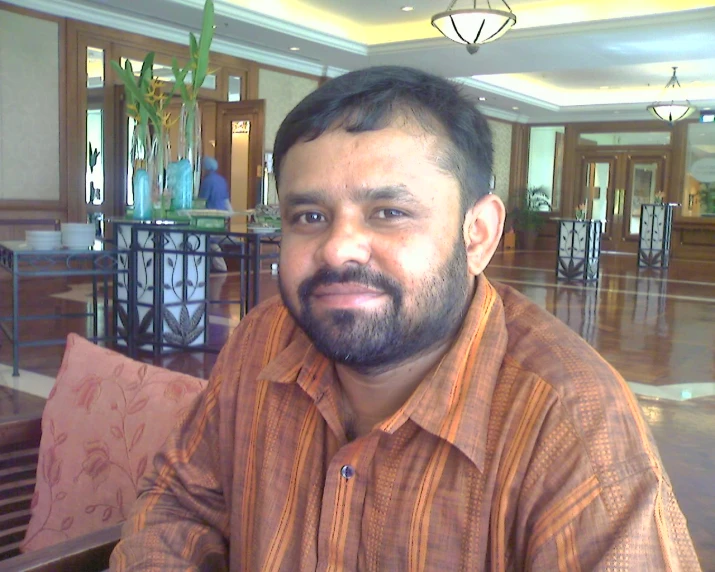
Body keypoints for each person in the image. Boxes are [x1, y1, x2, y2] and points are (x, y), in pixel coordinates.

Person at [111, 67, 700, 571]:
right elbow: (176, 505)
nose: (339, 248)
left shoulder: (570, 422)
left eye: (388, 212)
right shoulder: (264, 339)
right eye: (309, 216)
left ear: (478, 235)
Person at [199, 156, 230, 271]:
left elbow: (202, 201)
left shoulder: (207, 182)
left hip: (210, 218)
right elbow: (225, 199)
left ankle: (221, 268)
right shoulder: (221, 180)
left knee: (210, 242)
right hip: (221, 216)